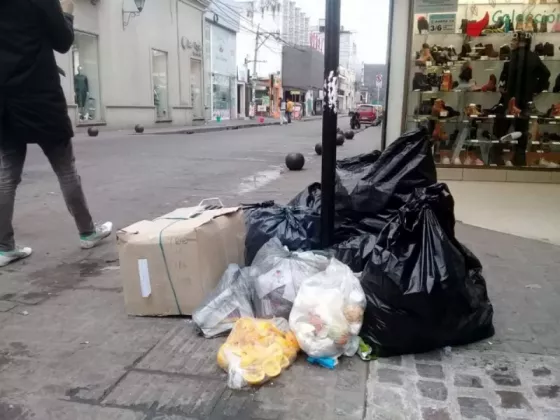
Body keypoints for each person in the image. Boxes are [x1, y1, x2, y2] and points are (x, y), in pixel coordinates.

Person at [0, 0, 112, 267]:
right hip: (41, 98)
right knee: (65, 169)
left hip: (5, 100)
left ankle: (4, 247)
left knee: (7, 175)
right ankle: (87, 232)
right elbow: (62, 41)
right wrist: (68, 13)